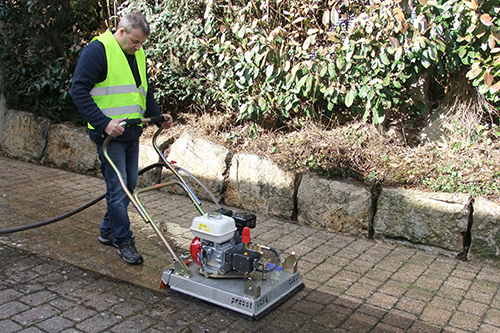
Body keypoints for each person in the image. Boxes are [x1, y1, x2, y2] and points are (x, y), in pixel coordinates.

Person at [71, 12, 172, 265]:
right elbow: (78, 90)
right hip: (109, 137)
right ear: (122, 31)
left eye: (142, 43)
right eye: (135, 41)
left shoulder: (137, 53)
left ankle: (107, 230)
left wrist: (157, 116)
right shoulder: (97, 51)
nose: (138, 47)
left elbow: (142, 90)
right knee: (118, 189)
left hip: (131, 131)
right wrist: (104, 123)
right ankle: (123, 239)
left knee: (130, 184)